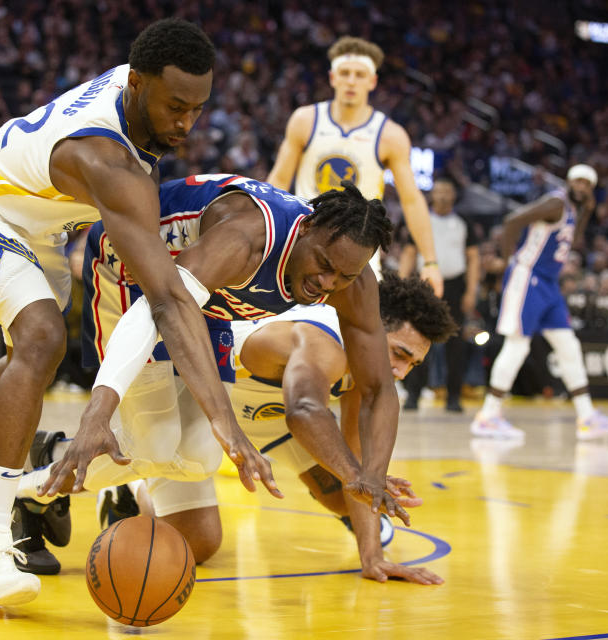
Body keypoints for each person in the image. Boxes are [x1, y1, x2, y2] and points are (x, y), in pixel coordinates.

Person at [0, 19, 277, 609]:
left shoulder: (137, 92)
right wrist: (223, 423)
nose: (186, 124)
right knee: (40, 340)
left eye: (197, 109)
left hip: (42, 221)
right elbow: (165, 299)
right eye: (175, 107)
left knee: (25, 362)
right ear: (136, 84)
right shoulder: (103, 158)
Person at [27, 178, 404, 549]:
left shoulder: (352, 284)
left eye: (344, 275)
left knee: (199, 458)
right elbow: (159, 306)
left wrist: (373, 474)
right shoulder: (246, 238)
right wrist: (98, 409)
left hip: (201, 292)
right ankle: (24, 495)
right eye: (323, 264)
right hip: (128, 270)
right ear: (305, 229)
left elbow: (378, 388)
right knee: (155, 445)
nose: (327, 282)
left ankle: (58, 455)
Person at [266, 36, 443, 297]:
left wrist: (430, 261)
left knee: (358, 336)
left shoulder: (390, 135)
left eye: (359, 75)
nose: (351, 80)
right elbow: (277, 183)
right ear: (332, 77)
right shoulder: (305, 120)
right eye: (345, 73)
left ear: (372, 81)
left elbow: (412, 201)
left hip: (359, 251)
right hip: (304, 240)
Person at [470, 164, 608, 440]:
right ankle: (488, 416)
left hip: (549, 285)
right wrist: (508, 262)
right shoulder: (556, 202)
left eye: (587, 184)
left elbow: (572, 242)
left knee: (568, 346)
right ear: (568, 182)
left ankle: (587, 416)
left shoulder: (572, 210)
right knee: (517, 346)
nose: (581, 187)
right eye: (577, 182)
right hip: (528, 277)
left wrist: (588, 211)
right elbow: (512, 221)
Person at [399, 177, 479, 412]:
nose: (443, 195)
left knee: (456, 344)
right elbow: (409, 252)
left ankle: (453, 397)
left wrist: (472, 290)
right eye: (439, 190)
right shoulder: (421, 219)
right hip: (426, 285)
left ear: (454, 195)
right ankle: (413, 394)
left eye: (447, 190)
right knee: (418, 339)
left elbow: (473, 258)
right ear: (432, 195)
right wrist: (402, 286)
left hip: (455, 286)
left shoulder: (464, 221)